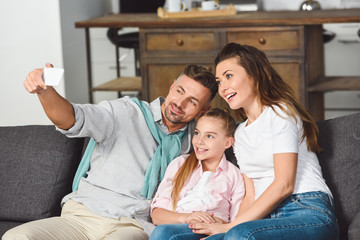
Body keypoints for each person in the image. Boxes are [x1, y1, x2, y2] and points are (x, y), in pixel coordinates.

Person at [3, 64, 218, 240]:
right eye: (180, 91)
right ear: (172, 86)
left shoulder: (197, 142)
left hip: (131, 224)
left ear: (203, 110)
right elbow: (72, 119)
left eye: (192, 101)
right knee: (17, 237)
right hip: (80, 216)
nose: (179, 103)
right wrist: (44, 91)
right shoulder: (125, 112)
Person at [189, 43, 339, 240]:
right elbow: (250, 197)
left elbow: (284, 184)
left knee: (238, 234)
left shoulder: (280, 112)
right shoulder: (240, 133)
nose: (223, 87)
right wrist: (229, 226)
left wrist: (231, 228)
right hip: (266, 218)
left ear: (254, 74)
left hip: (307, 210)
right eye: (219, 81)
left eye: (229, 76)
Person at [149, 108, 247, 240]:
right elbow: (157, 216)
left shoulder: (234, 174)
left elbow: (237, 222)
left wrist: (218, 224)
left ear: (227, 143)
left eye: (209, 136)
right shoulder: (179, 164)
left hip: (215, 232)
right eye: (197, 133)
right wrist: (187, 217)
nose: (199, 141)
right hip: (180, 226)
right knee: (163, 232)